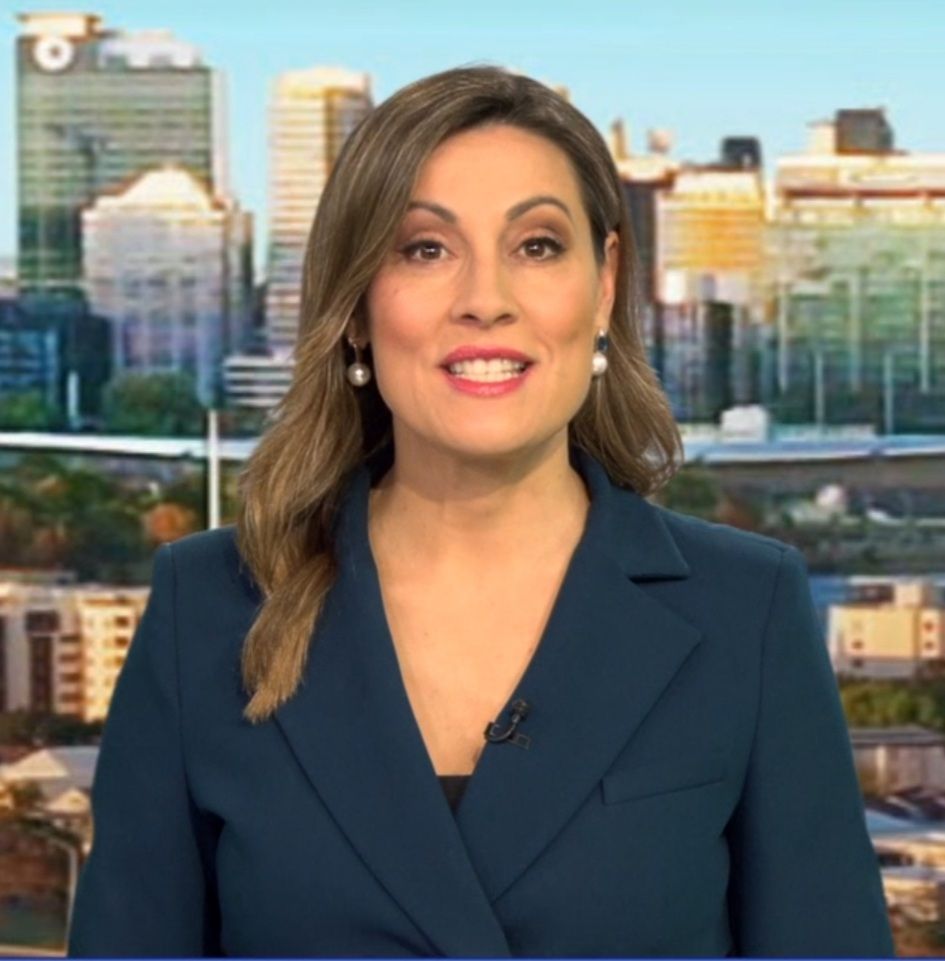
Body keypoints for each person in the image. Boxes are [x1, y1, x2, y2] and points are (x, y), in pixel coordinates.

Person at [67, 64, 895, 958]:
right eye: (424, 249)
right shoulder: (206, 608)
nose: (485, 300)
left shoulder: (745, 610)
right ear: (355, 305)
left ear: (604, 284)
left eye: (536, 245)